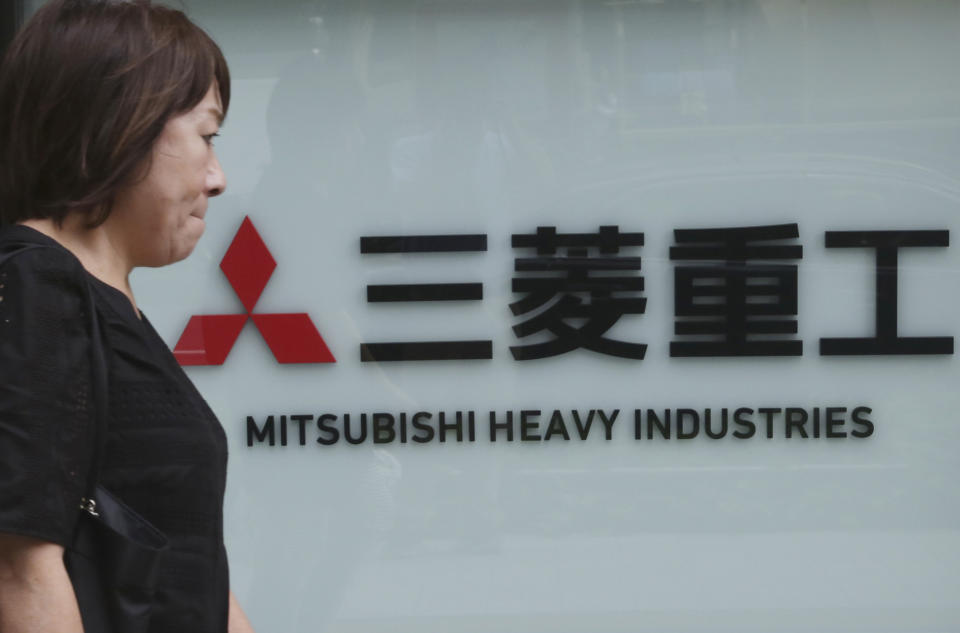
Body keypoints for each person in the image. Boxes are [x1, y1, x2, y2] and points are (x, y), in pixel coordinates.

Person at [0, 1, 255, 631]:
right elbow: (18, 569)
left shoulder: (97, 297)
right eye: (206, 134)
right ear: (126, 124)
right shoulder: (37, 284)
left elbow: (187, 563)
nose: (217, 177)